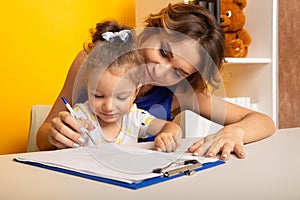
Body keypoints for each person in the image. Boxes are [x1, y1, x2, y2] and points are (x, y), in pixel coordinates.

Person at [36, 2, 275, 160]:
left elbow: (264, 121)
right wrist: (52, 135)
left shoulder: (182, 92)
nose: (161, 72)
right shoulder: (95, 61)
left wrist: (235, 132)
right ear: (153, 31)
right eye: (163, 52)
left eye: (179, 71)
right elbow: (42, 135)